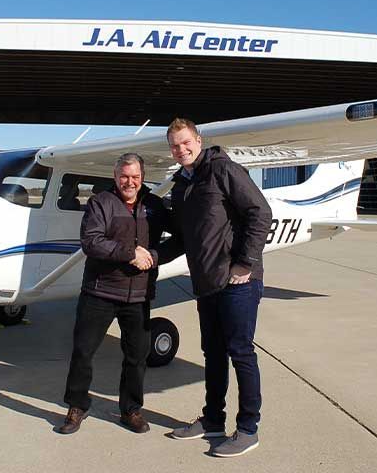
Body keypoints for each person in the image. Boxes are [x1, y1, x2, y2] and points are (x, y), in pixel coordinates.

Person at [160, 118, 272, 457]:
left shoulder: (223, 169)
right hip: (206, 283)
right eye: (175, 146)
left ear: (198, 139)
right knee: (213, 354)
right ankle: (212, 419)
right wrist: (150, 257)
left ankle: (249, 428)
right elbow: (182, 239)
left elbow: (260, 212)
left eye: (185, 142)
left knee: (241, 352)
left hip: (237, 281)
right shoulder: (181, 185)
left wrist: (245, 262)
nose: (181, 150)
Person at [56, 153, 171, 435]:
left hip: (139, 295)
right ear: (115, 176)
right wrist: (130, 254)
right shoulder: (101, 203)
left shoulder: (155, 206)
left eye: (135, 177)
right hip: (100, 291)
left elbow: (181, 238)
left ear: (142, 177)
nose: (129, 182)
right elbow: (92, 242)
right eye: (124, 176)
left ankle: (130, 410)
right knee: (83, 352)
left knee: (136, 356)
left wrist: (154, 257)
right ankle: (77, 406)